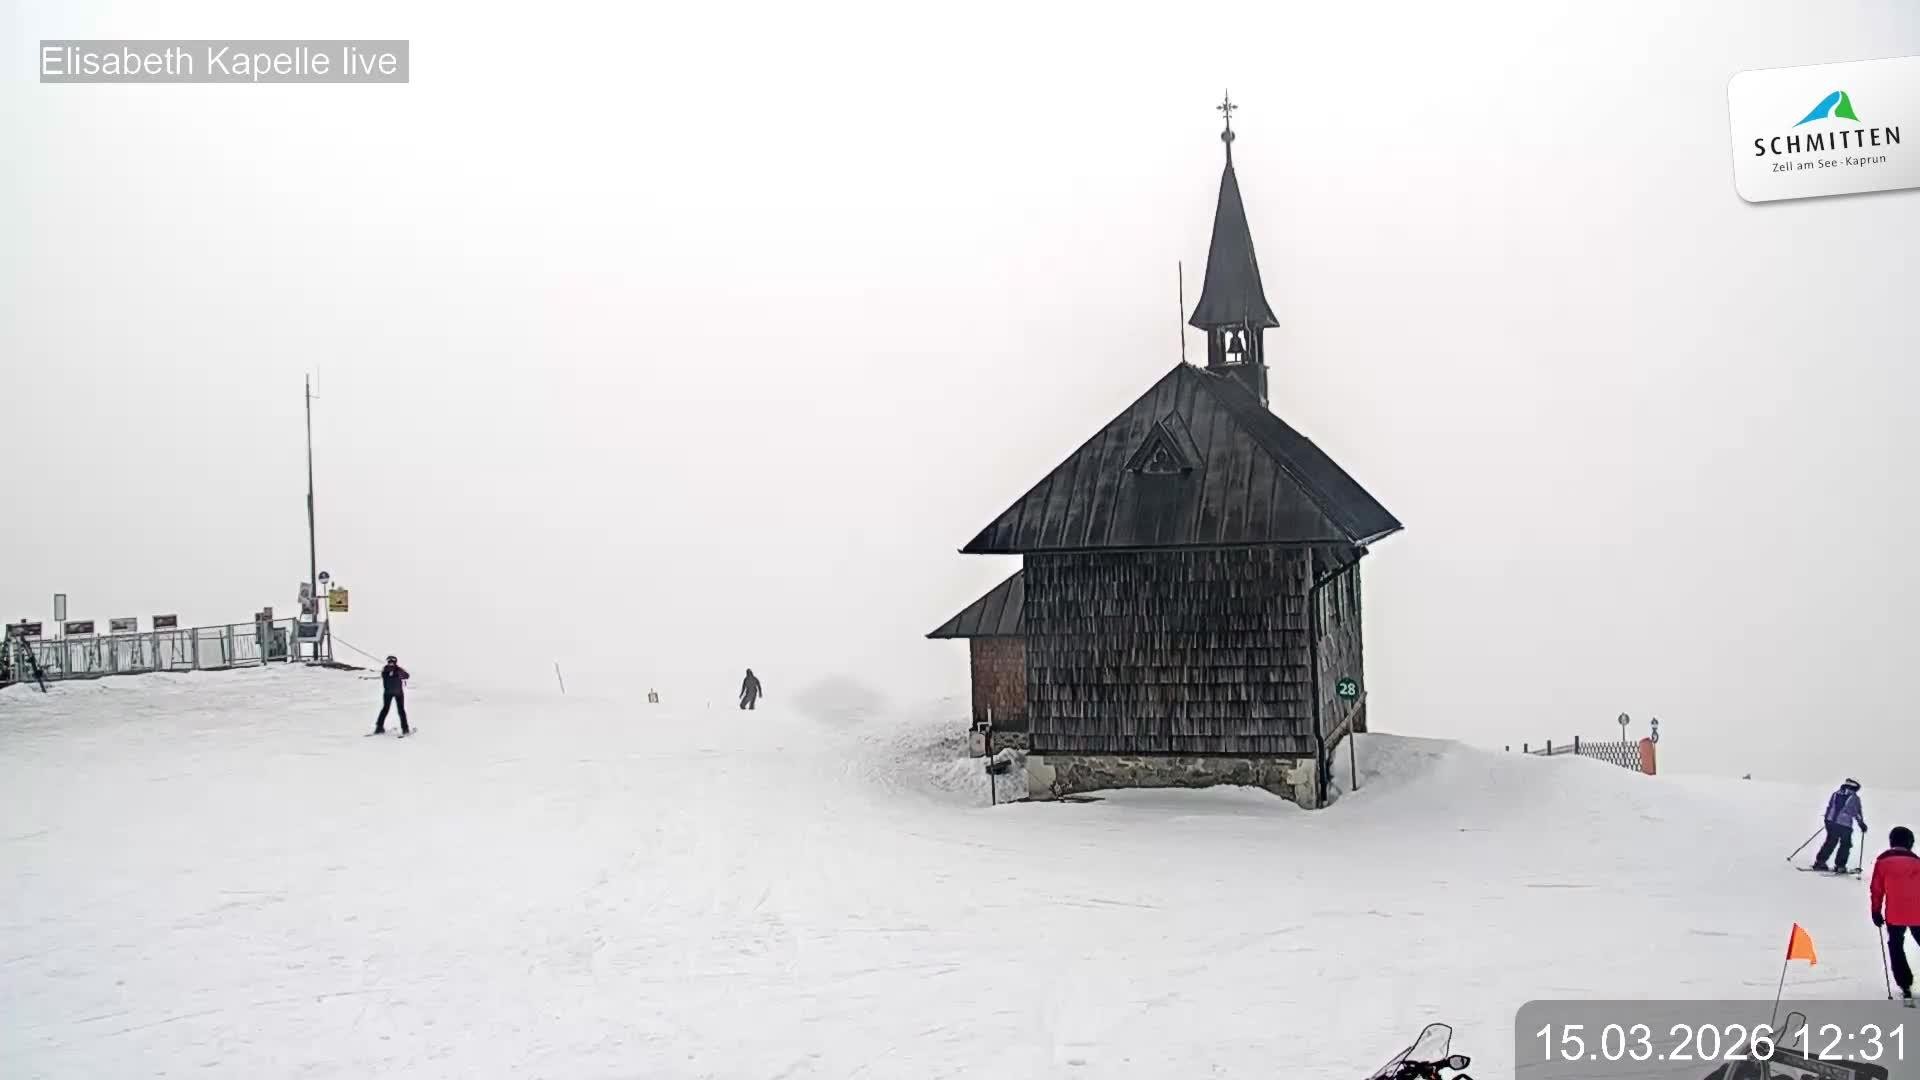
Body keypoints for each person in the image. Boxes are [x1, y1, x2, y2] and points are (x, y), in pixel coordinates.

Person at [1870, 826, 1920, 1006]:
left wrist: (1875, 911)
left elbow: (1877, 889)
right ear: (1909, 843)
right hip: (1918, 913)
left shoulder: (1882, 862)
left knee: (1896, 946)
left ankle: (1904, 983)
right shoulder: (1917, 863)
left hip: (1895, 914)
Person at [1812, 778, 1868, 873]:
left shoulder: (1836, 794)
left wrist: (1829, 819)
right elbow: (1856, 812)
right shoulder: (1854, 797)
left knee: (1830, 842)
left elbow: (1830, 806)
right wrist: (1861, 824)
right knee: (1845, 844)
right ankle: (1840, 866)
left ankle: (1820, 862)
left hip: (1830, 821)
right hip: (1844, 824)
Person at [373, 655, 411, 735]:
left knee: (385, 709)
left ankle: (379, 727)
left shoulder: (385, 670)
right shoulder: (396, 670)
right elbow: (407, 676)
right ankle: (405, 729)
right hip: (398, 693)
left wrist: (397, 670)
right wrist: (399, 670)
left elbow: (406, 676)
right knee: (401, 710)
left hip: (388, 693)